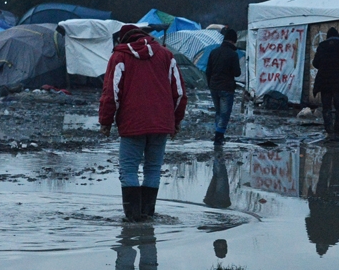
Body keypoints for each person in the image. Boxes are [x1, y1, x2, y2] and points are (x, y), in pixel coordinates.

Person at [99, 25, 186, 222]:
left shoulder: (119, 57)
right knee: (153, 169)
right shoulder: (166, 55)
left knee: (128, 169)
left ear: (122, 39)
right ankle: (148, 216)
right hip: (161, 124)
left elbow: (111, 93)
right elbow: (179, 93)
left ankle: (132, 219)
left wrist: (106, 121)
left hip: (132, 124)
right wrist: (176, 120)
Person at [312, 27, 339, 141]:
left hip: (325, 81)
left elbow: (315, 63)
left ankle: (328, 131)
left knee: (326, 106)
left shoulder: (322, 46)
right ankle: (338, 132)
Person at [205, 28, 241, 146]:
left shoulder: (214, 52)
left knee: (219, 112)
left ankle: (218, 134)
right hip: (226, 87)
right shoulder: (233, 55)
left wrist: (210, 84)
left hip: (214, 87)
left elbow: (208, 71)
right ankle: (219, 137)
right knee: (225, 114)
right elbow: (237, 73)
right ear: (233, 41)